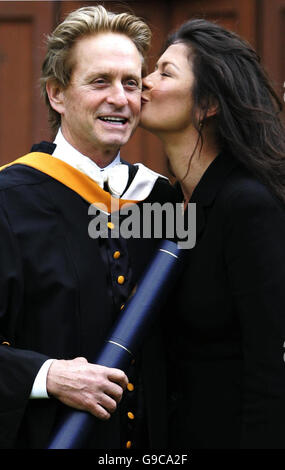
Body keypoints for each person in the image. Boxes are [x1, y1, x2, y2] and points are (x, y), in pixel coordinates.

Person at [0, 6, 177, 449]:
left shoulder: (160, 200)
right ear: (57, 94)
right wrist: (48, 375)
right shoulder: (9, 198)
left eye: (131, 83)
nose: (120, 98)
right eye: (100, 81)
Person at [140, 18, 285, 448]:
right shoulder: (161, 203)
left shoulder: (248, 204)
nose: (143, 82)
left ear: (207, 105)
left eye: (165, 73)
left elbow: (271, 365)